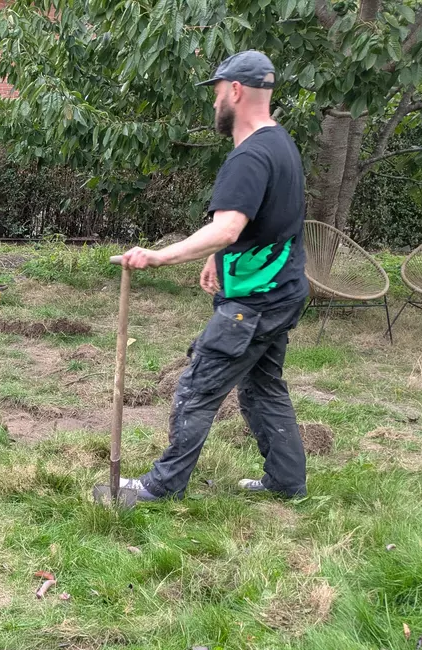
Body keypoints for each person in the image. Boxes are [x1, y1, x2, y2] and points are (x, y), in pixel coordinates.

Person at [115, 50, 310, 502]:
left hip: (254, 302)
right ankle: (287, 482)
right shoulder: (280, 143)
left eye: (217, 92)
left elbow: (228, 226)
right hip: (281, 291)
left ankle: (160, 488)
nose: (214, 102)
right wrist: (216, 256)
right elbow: (264, 223)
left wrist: (159, 257)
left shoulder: (249, 157)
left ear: (236, 91)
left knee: (197, 388)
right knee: (262, 387)